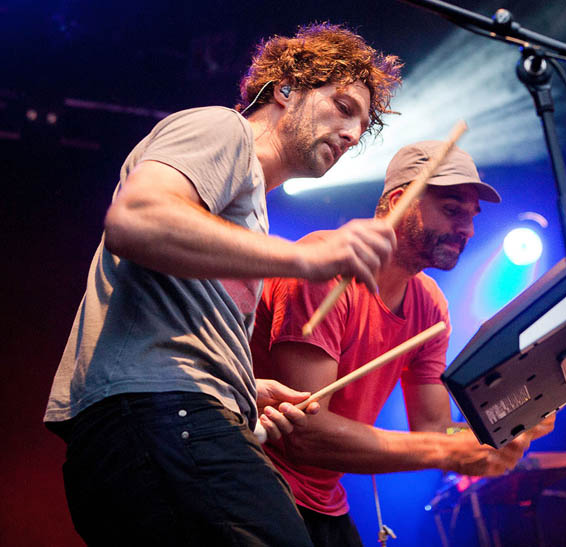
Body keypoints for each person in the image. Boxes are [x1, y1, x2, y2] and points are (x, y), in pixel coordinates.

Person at [43, 23, 402, 546]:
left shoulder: (252, 208)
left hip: (158, 423)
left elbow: (169, 315)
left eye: (362, 125)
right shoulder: (220, 129)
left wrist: (244, 390)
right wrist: (304, 259)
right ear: (286, 89)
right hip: (159, 416)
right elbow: (137, 219)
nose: (351, 134)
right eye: (344, 107)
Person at [251, 141, 555, 547]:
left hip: (326, 500)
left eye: (471, 217)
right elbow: (306, 434)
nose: (468, 229)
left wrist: (503, 423)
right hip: (256, 477)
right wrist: (449, 450)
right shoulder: (325, 269)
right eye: (452, 211)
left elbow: (431, 430)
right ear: (399, 201)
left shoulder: (430, 306)